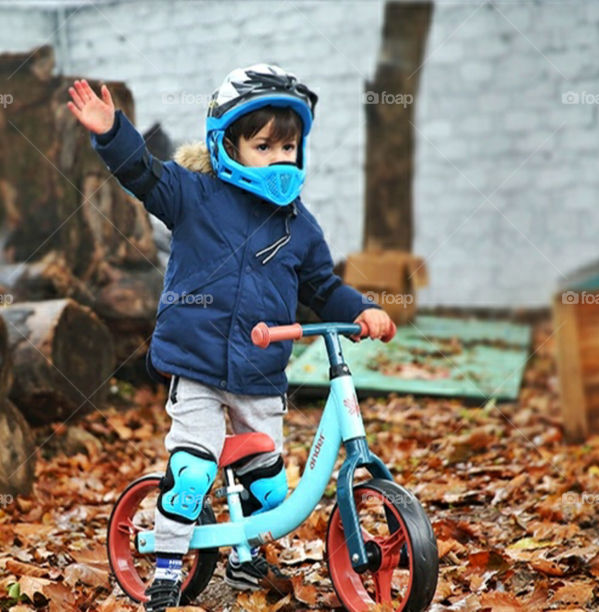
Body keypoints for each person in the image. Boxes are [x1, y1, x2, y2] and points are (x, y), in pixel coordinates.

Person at [67, 64, 395, 611]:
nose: (279, 158)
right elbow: (142, 173)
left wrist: (363, 309)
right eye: (263, 145)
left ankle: (243, 554)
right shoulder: (193, 196)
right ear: (227, 147)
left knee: (267, 487)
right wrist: (111, 131)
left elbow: (323, 286)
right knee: (194, 471)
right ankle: (169, 566)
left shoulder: (298, 225)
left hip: (260, 374)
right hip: (195, 366)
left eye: (288, 146)